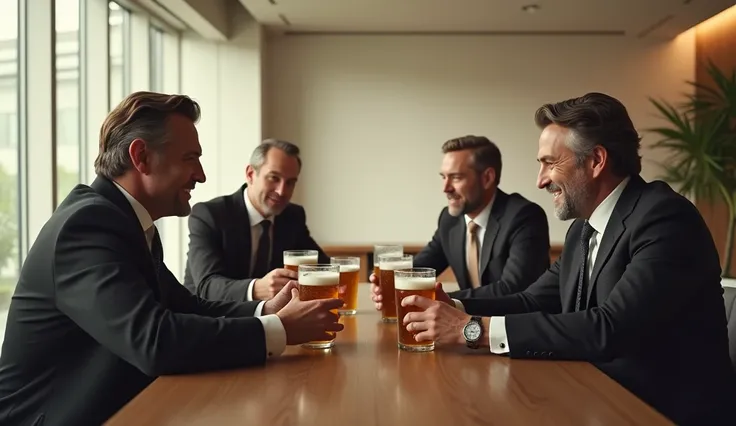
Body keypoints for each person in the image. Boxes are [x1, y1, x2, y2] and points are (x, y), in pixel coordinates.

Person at [375, 93, 736, 425]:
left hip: (661, 411)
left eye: (549, 163)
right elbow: (532, 299)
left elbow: (609, 328)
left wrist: (473, 330)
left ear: (596, 160)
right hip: (596, 393)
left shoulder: (665, 218)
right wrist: (450, 305)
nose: (539, 180)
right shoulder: (583, 229)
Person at [0, 92, 344, 426]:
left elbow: (184, 306)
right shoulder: (87, 226)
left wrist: (266, 310)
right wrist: (279, 329)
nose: (201, 175)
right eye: (189, 158)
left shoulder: (125, 222)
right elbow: (154, 341)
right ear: (142, 157)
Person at [370, 135, 550, 298]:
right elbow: (419, 269)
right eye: (443, 177)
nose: (445, 188)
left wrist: (441, 299)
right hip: (467, 326)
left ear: (487, 178)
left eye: (455, 178)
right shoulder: (450, 220)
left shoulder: (524, 217)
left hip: (514, 328)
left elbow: (514, 289)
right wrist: (388, 284)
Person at [183, 139, 329, 302]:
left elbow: (323, 265)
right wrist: (256, 288)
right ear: (250, 174)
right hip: (209, 321)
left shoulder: (292, 216)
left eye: (290, 183)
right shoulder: (210, 215)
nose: (282, 191)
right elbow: (207, 287)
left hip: (268, 321)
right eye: (274, 178)